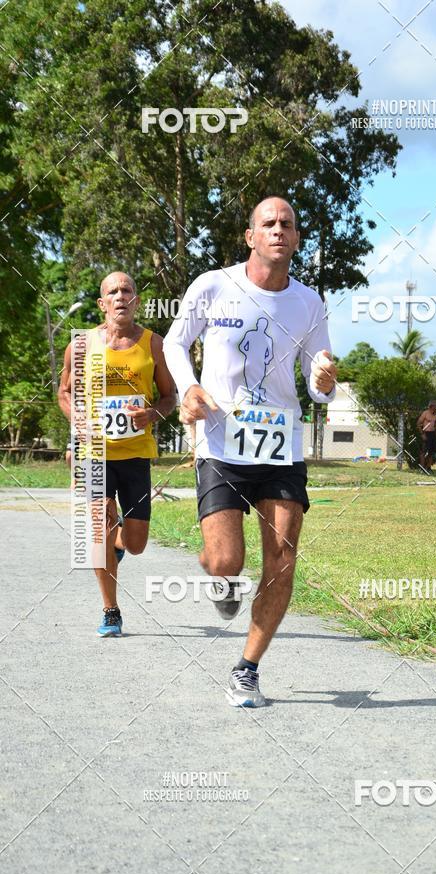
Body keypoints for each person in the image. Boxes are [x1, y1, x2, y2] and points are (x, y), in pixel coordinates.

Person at [163, 196, 337, 708]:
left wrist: (324, 379)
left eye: (287, 224)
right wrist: (190, 388)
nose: (278, 230)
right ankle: (220, 577)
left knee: (281, 561)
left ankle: (248, 668)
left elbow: (318, 378)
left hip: (280, 445)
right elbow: (176, 343)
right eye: (268, 223)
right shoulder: (213, 286)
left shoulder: (309, 303)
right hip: (220, 441)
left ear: (296, 238)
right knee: (224, 561)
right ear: (250, 236)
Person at [58, 272, 176, 636]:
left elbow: (169, 396)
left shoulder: (154, 344)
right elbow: (65, 392)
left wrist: (151, 414)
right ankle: (110, 609)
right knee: (97, 532)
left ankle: (120, 542)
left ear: (136, 301)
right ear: (102, 303)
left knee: (136, 543)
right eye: (113, 291)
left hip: (135, 453)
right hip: (92, 451)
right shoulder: (81, 345)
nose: (120, 296)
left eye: (127, 291)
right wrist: (76, 425)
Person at [417, 401, 436, 471]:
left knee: (431, 452)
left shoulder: (435, 415)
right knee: (423, 451)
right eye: (435, 406)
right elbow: (418, 424)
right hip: (425, 433)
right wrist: (422, 434)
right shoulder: (425, 413)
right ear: (431, 406)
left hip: (432, 434)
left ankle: (428, 467)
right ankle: (422, 467)